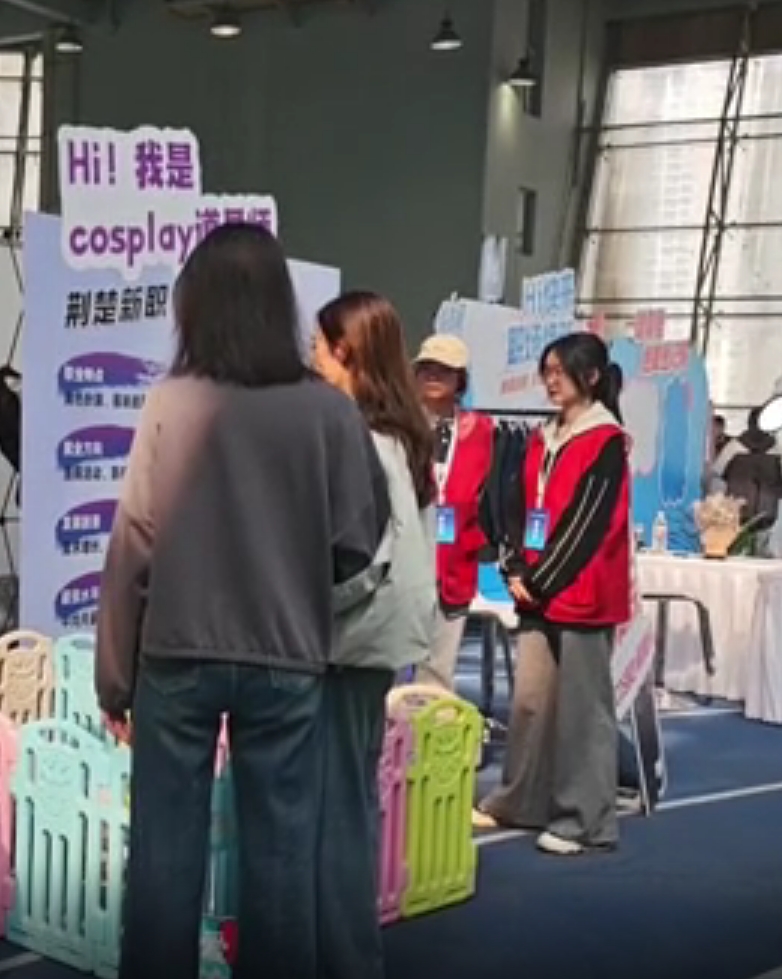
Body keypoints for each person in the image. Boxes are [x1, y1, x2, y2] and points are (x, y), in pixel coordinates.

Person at [94, 224, 387, 979]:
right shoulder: (328, 411)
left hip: (177, 655)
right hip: (288, 657)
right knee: (282, 855)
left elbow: (133, 543)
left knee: (164, 854)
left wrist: (114, 678)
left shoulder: (171, 401)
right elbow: (359, 540)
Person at [312, 291, 438, 979]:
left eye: (319, 344)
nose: (312, 356)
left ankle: (345, 955)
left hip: (351, 637)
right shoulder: (405, 435)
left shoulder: (361, 438)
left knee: (336, 808)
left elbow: (359, 560)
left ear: (348, 352)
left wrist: (300, 610)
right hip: (380, 638)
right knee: (351, 798)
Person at [473, 332, 632, 856]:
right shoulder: (544, 436)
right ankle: (521, 799)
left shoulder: (606, 440)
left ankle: (585, 819)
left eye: (560, 371)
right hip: (537, 589)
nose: (550, 380)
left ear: (591, 377)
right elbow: (519, 507)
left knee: (583, 712)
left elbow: (590, 524)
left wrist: (539, 580)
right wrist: (516, 565)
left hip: (582, 592)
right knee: (530, 703)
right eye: (547, 371)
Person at [414, 334, 493, 690]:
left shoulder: (481, 430)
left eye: (444, 370)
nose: (433, 376)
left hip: (454, 565)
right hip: (404, 564)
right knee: (385, 670)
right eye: (426, 368)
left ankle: (427, 727)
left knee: (437, 675)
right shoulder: (398, 424)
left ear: (460, 378)